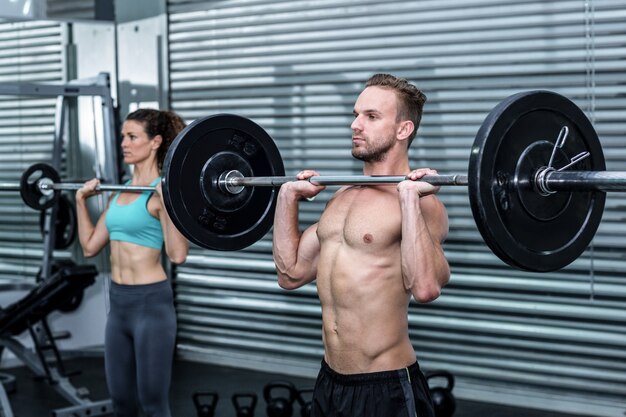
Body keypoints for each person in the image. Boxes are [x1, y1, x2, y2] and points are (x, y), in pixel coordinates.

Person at [272, 73, 450, 417]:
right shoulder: (340, 198)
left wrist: (410, 198)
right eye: (356, 114)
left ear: (403, 130)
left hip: (386, 388)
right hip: (330, 381)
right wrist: (287, 197)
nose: (356, 124)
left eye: (371, 117)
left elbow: (426, 287)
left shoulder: (424, 205)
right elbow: (290, 274)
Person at [75, 109, 189, 417]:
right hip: (119, 307)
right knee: (122, 403)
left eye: (132, 136)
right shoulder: (119, 193)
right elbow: (88, 247)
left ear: (155, 142)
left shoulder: (159, 194)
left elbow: (178, 255)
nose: (124, 142)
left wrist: (168, 202)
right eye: (123, 136)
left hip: (151, 307)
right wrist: (80, 201)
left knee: (153, 404)